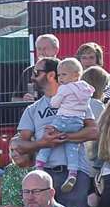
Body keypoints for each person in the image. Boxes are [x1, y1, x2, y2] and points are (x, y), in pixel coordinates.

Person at [17, 58, 98, 207]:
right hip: (44, 175)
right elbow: (20, 145)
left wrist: (66, 136)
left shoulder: (78, 100)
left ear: (51, 75)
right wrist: (43, 143)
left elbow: (94, 132)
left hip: (74, 174)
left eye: (37, 73)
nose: (32, 77)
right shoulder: (33, 109)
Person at [35, 59, 96, 195]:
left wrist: (55, 101)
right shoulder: (86, 89)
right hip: (77, 123)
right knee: (72, 148)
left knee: (49, 138)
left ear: (75, 75)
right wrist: (69, 137)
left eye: (63, 75)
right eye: (59, 75)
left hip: (63, 120)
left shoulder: (64, 88)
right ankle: (72, 173)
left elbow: (55, 104)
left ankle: (39, 165)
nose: (60, 78)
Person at [0, 137, 32, 207]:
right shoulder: (9, 169)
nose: (14, 154)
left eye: (19, 150)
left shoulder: (35, 172)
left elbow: (39, 205)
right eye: (12, 150)